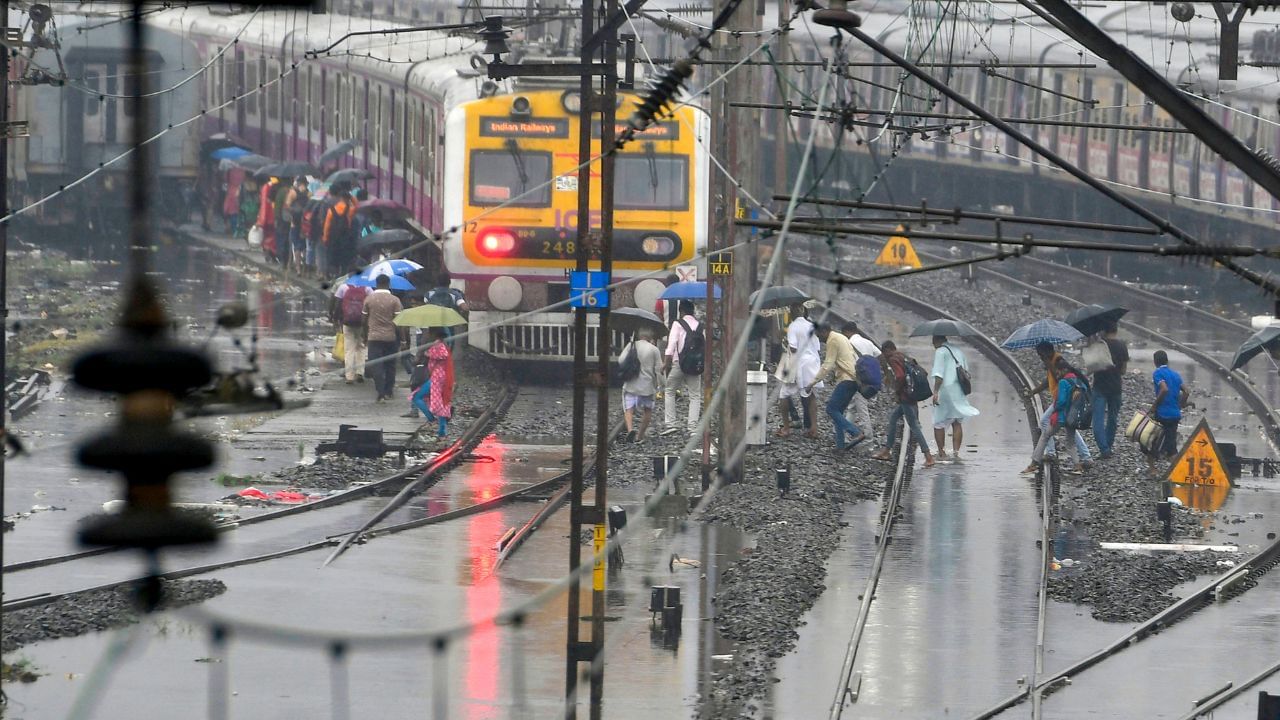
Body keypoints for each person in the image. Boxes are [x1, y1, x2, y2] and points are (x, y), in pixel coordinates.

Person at [1022, 341, 1090, 465]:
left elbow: (1061, 379)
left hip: (1064, 401)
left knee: (1047, 422)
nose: (1040, 358)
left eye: (1040, 355)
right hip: (1060, 399)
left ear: (1046, 352)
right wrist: (1034, 392)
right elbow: (1048, 382)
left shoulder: (1059, 362)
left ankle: (1052, 453)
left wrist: (1049, 364)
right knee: (1070, 427)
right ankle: (1085, 457)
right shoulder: (1051, 362)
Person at [871, 341, 935, 467]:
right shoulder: (903, 356)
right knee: (893, 419)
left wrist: (897, 391)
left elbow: (900, 376)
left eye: (885, 353)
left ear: (888, 350)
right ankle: (887, 450)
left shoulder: (894, 359)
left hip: (906, 397)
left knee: (914, 426)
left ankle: (928, 456)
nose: (885, 356)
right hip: (911, 395)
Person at [806, 324, 866, 452]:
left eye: (819, 335)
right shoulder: (841, 337)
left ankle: (855, 432)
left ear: (824, 331)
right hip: (853, 379)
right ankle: (840, 446)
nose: (820, 339)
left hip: (847, 379)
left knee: (831, 409)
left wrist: (812, 383)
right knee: (837, 412)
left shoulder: (832, 340)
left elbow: (827, 364)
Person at [930, 335, 979, 459]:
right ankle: (956, 452)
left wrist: (935, 391)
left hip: (945, 391)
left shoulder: (940, 352)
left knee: (939, 421)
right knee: (957, 421)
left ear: (936, 341)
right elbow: (965, 371)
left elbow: (939, 375)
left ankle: (941, 452)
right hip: (958, 390)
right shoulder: (957, 350)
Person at [662, 300, 702, 435]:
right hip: (695, 364)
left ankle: (671, 424)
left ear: (682, 311)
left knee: (669, 391)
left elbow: (671, 345)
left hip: (679, 363)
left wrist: (666, 364)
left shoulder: (677, 324)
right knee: (695, 395)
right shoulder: (699, 326)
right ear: (693, 311)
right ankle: (692, 427)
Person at [362, 274, 404, 402]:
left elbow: (364, 320)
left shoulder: (368, 299)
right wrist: (403, 339)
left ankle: (380, 392)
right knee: (390, 365)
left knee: (376, 365)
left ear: (376, 283)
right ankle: (389, 391)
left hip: (373, 337)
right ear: (389, 284)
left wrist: (364, 336)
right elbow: (399, 322)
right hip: (390, 338)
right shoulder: (395, 300)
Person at [1091, 323, 1129, 459]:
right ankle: (1108, 445)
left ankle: (1104, 449)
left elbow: (1091, 367)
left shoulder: (1098, 345)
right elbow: (1123, 371)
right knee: (1113, 418)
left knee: (1098, 421)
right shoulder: (1122, 345)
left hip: (1100, 386)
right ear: (1116, 330)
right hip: (1115, 387)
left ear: (1103, 330)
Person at [785, 305, 822, 438]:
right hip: (813, 363)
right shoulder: (811, 325)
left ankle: (787, 427)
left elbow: (793, 349)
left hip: (801, 364)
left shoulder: (793, 326)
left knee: (784, 394)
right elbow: (818, 347)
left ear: (791, 313)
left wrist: (787, 342)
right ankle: (814, 428)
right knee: (811, 395)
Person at [621, 328, 663, 442]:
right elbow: (659, 369)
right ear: (651, 336)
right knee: (648, 410)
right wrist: (661, 385)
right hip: (647, 386)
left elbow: (620, 360)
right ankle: (639, 436)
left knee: (629, 409)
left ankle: (630, 430)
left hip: (631, 384)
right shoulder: (654, 349)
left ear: (639, 335)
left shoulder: (631, 345)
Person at [1150, 350, 1189, 459]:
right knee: (1170, 441)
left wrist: (1154, 406)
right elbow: (1186, 391)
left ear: (1155, 362)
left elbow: (1164, 389)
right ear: (1167, 361)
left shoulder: (1157, 373)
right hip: (1175, 414)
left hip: (1162, 414)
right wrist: (1181, 405)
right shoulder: (1175, 375)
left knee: (1151, 437)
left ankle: (1156, 462)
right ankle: (1166, 454)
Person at [845, 321, 880, 437]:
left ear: (847, 332)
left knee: (861, 408)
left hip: (857, 381)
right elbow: (879, 355)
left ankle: (868, 438)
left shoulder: (848, 343)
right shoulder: (867, 342)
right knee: (853, 407)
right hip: (869, 381)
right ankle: (844, 433)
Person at [333, 273, 370, 383]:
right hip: (362, 323)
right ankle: (360, 372)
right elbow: (370, 304)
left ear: (349, 275)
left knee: (349, 349)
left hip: (347, 322)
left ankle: (349, 375)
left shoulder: (343, 287)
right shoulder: (367, 288)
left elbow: (337, 304)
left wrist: (336, 319)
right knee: (361, 347)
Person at [423, 328, 454, 438]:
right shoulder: (443, 343)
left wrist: (429, 355)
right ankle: (442, 430)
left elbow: (443, 355)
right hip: (440, 374)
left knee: (437, 400)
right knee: (442, 400)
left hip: (438, 375)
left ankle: (437, 424)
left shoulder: (438, 344)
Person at [324, 183, 359, 276]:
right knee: (344, 257)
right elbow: (357, 206)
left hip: (333, 238)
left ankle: (333, 275)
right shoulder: (350, 210)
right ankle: (343, 274)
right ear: (347, 199)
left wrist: (325, 238)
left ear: (340, 198)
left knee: (333, 256)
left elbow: (327, 226)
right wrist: (351, 197)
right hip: (345, 237)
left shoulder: (331, 210)